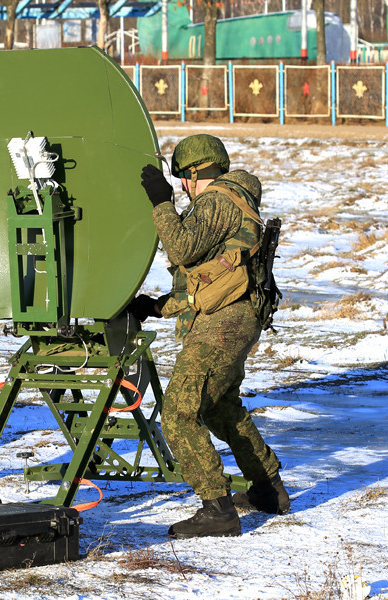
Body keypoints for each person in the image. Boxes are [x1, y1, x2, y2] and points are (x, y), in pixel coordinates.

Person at [132, 134, 290, 539]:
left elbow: (183, 248)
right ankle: (269, 490)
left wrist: (159, 202)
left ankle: (217, 509)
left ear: (196, 173)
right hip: (236, 318)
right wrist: (153, 307)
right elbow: (206, 282)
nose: (182, 187)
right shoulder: (234, 200)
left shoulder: (218, 199)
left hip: (224, 324)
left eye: (183, 178)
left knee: (179, 414)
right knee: (221, 409)